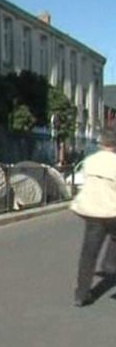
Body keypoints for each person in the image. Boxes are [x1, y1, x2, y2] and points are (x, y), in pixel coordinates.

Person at [70, 128, 116, 307]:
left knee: (88, 253)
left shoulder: (90, 161)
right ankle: (110, 263)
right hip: (112, 211)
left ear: (101, 143)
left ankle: (81, 294)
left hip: (92, 211)